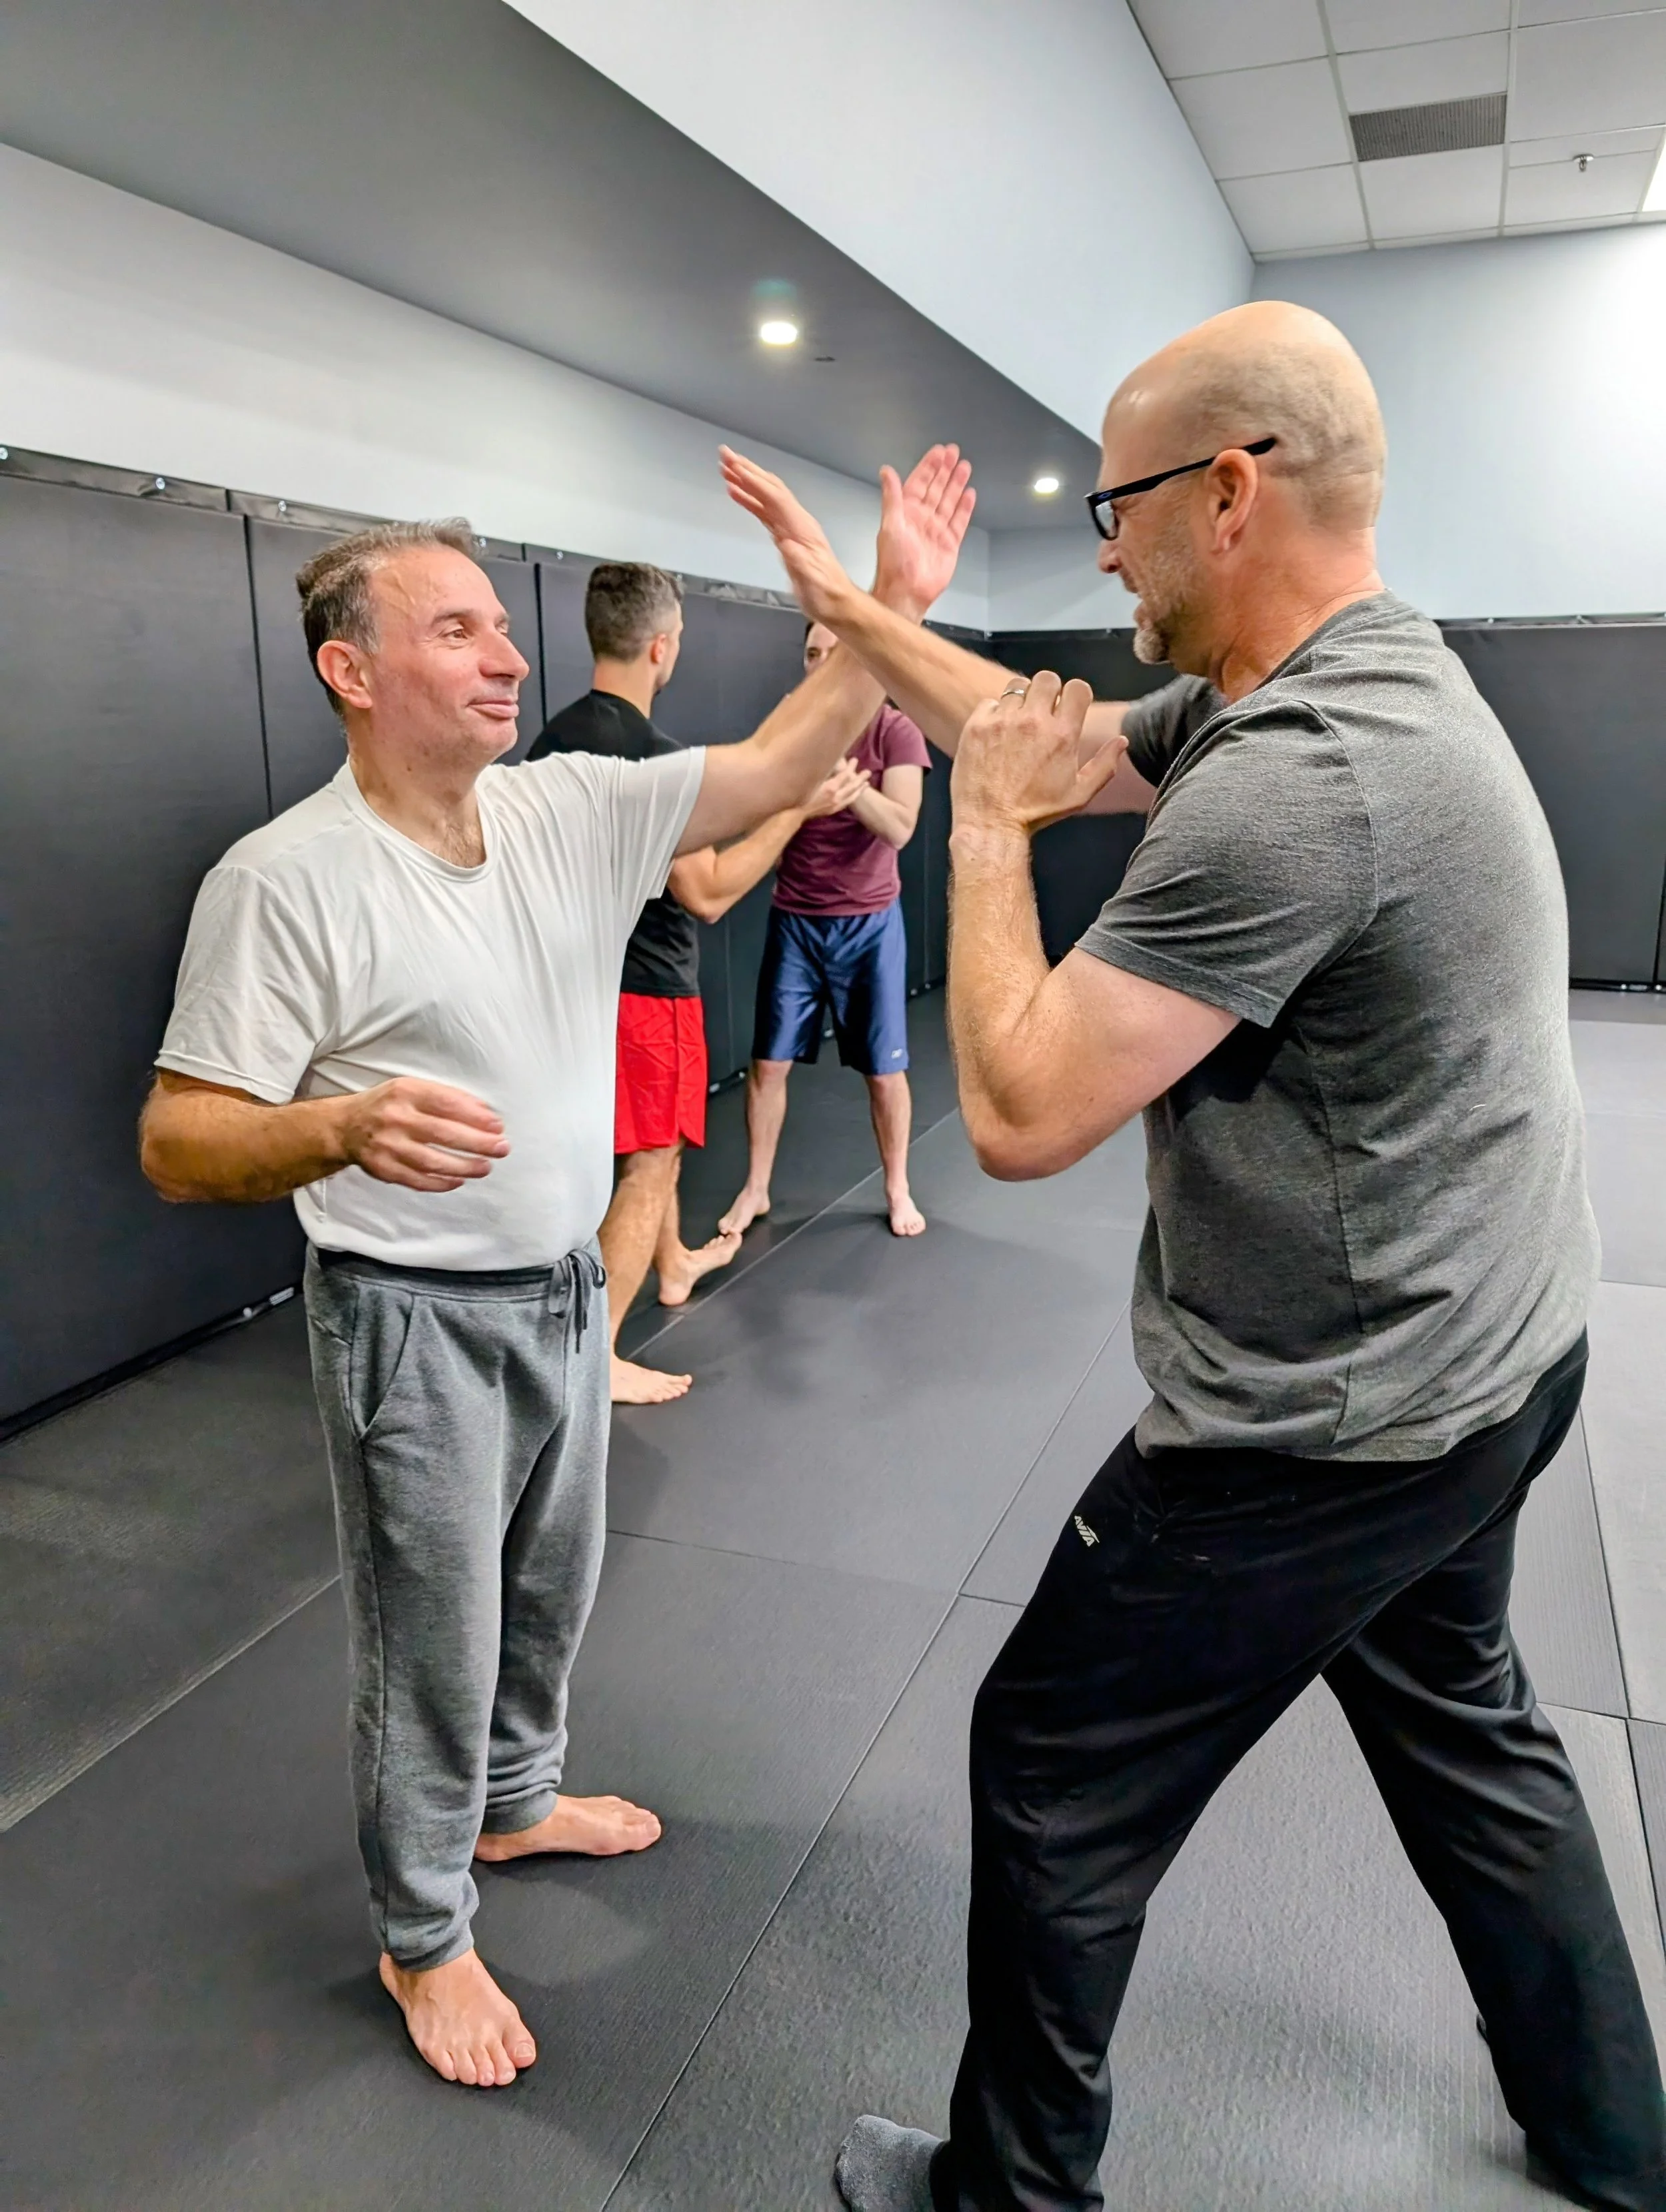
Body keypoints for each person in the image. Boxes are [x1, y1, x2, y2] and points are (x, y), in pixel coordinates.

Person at [720, 304, 1666, 2212]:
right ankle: (1610, 2141)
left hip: (1332, 1421)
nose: (1094, 546)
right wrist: (849, 610)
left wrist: (977, 848)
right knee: (1463, 1724)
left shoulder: (1302, 781)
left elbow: (1017, 1112)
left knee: (1051, 1764)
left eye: (1111, 503)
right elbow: (1028, 727)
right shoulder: (1328, 678)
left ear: (1226, 495)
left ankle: (1008, 2194)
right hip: (1497, 1350)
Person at [138, 450, 974, 2095]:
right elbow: (179, 1138)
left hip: (558, 1294)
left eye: (499, 624)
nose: (507, 652)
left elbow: (781, 764)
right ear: (352, 672)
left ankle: (515, 1806)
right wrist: (339, 1128)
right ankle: (423, 1929)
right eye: (455, 630)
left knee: (549, 1590)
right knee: (430, 1638)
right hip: (407, 1323)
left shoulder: (565, 807)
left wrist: (891, 612)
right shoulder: (284, 879)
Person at [530, 563, 873, 1403]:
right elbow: (711, 891)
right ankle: (599, 1355)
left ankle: (675, 1260)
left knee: (662, 1146)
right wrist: (798, 809)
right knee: (649, 1161)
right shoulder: (651, 758)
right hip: (649, 991)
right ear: (663, 646)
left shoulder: (550, 743)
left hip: (576, 987)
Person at [718, 625, 933, 1240]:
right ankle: (755, 1189)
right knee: (768, 1065)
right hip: (798, 921)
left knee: (885, 1072)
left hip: (869, 926)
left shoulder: (895, 731)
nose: (819, 664)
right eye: (810, 653)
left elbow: (899, 828)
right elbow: (755, 810)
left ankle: (897, 1187)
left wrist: (844, 779)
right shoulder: (787, 729)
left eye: (832, 653)